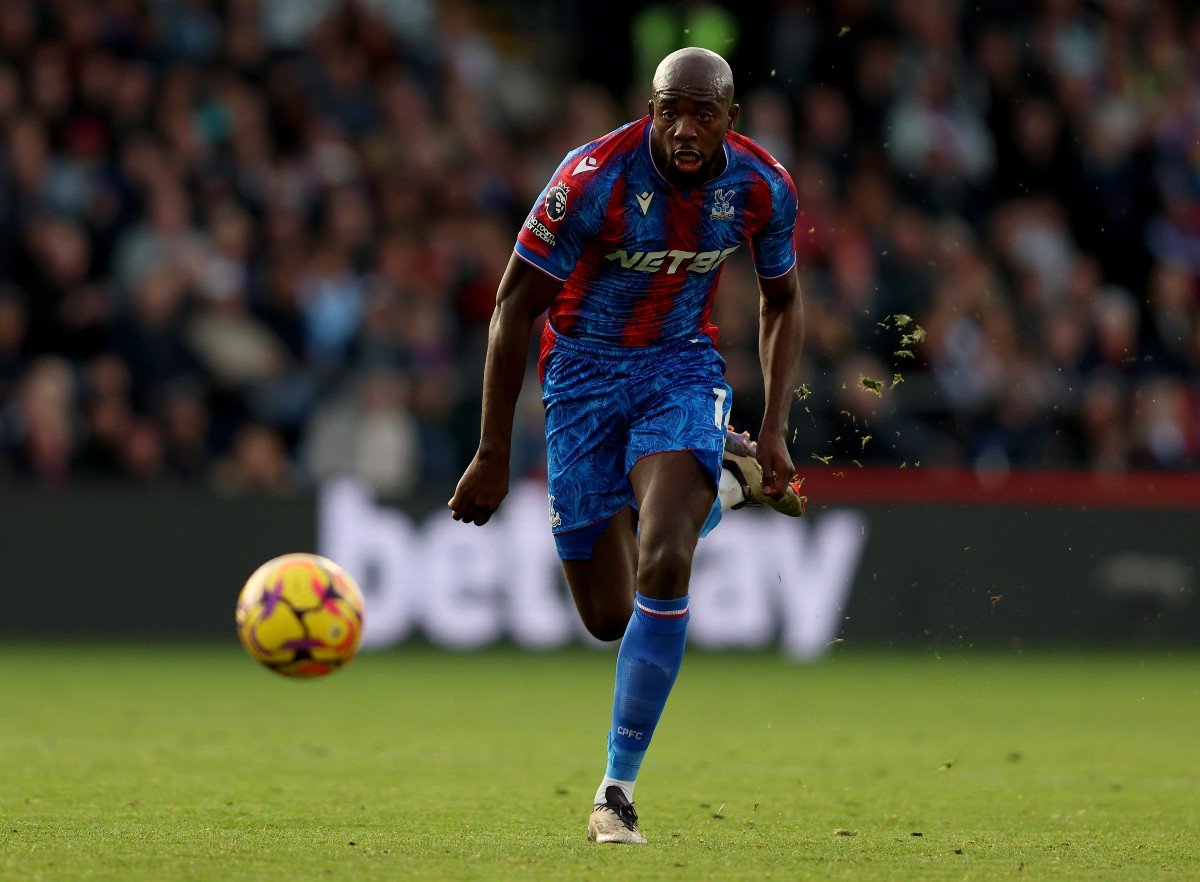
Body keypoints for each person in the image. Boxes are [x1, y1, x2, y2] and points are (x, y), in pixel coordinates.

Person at [449, 47, 806, 845]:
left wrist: (777, 425)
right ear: (651, 109)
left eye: (702, 113)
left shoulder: (760, 185)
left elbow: (782, 301)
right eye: (669, 110)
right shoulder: (590, 181)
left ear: (729, 118)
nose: (683, 128)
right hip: (580, 380)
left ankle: (617, 790)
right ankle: (728, 486)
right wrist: (493, 452)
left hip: (679, 369)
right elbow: (513, 309)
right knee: (610, 616)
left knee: (665, 561)